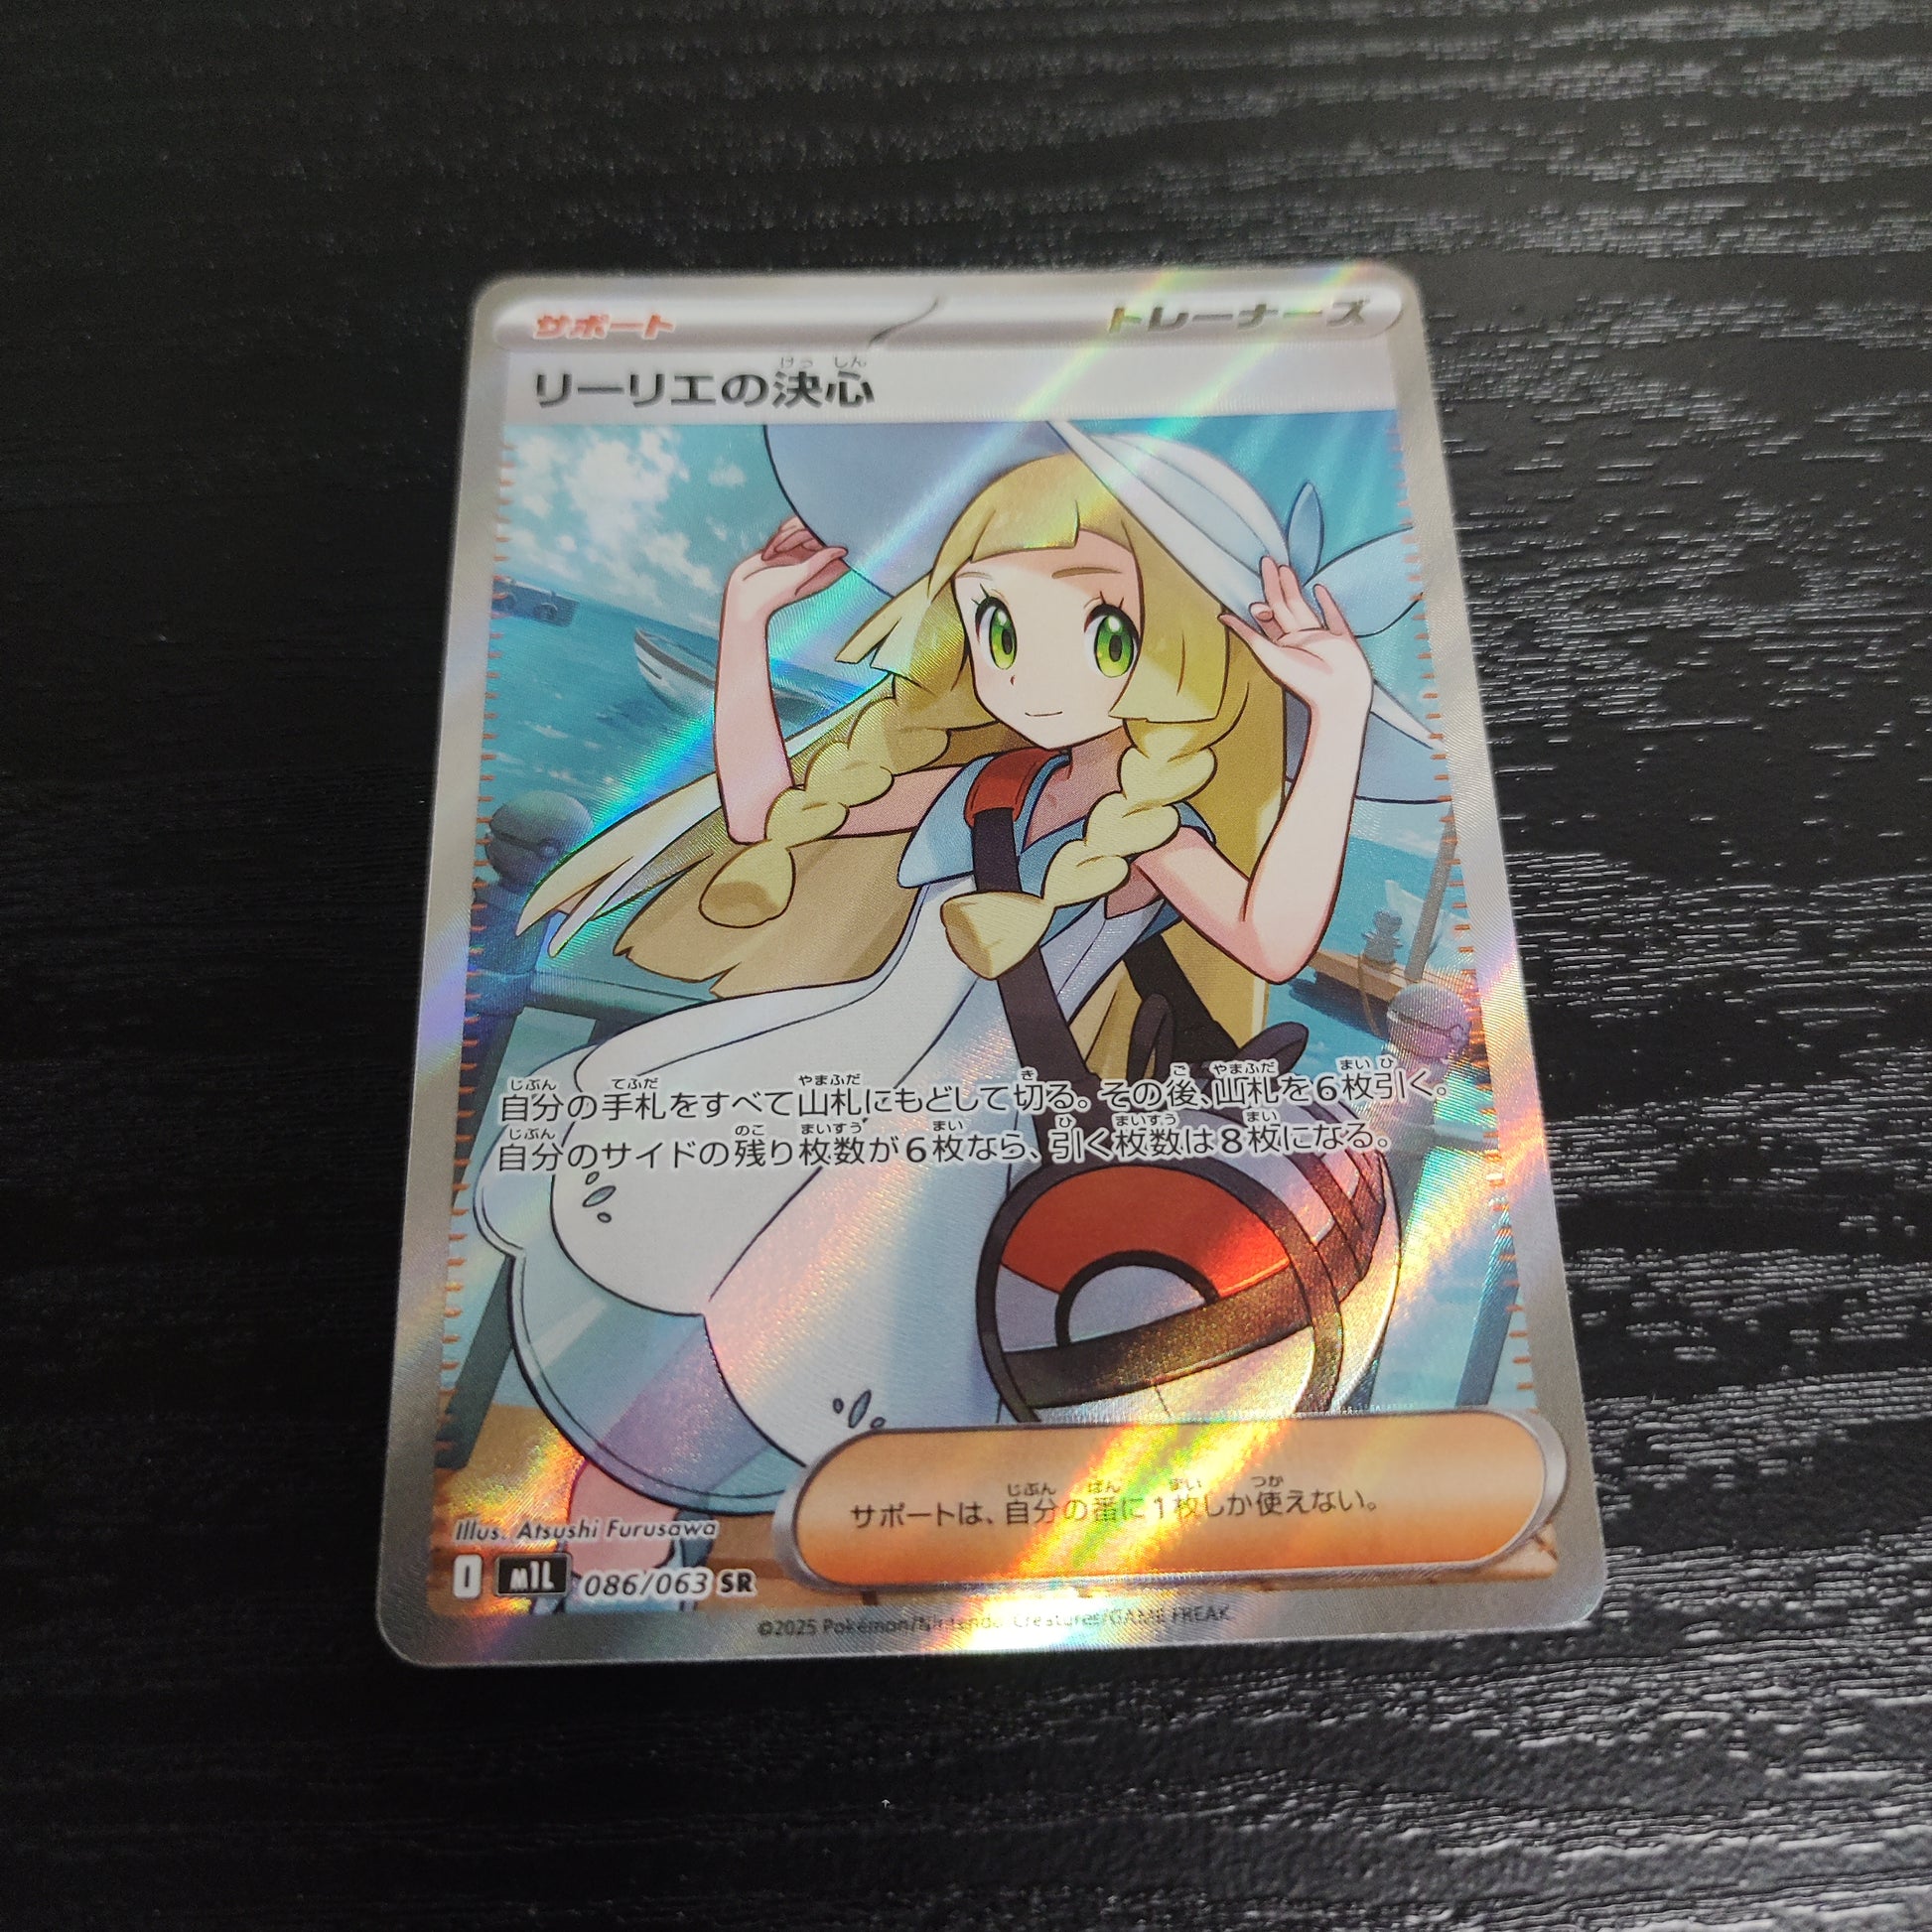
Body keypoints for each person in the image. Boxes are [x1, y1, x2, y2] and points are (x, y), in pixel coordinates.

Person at [475, 446, 1400, 1513]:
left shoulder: (1148, 827)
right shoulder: (991, 782)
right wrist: (745, 627)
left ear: (1181, 649)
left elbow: (1274, 940)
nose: (1029, 674)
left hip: (945, 1160)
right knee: (698, 1406)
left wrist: (1336, 719)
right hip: (839, 1083)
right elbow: (763, 811)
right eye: (997, 625)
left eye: (1102, 632)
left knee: (760, 1401)